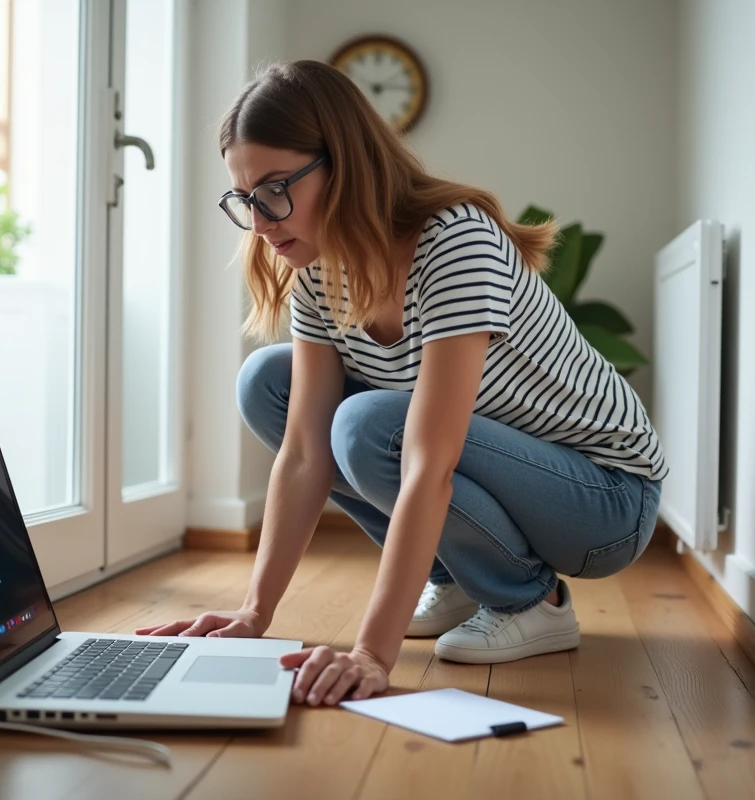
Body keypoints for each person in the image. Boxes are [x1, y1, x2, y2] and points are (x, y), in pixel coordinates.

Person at [136, 60, 666, 709]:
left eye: (275, 190)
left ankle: (534, 600)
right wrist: (253, 613)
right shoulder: (317, 272)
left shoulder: (454, 243)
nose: (262, 221)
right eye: (245, 199)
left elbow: (428, 459)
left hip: (605, 500)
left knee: (367, 426)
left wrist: (371, 653)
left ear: (346, 164)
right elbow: (304, 453)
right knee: (267, 383)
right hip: (506, 476)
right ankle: (458, 579)